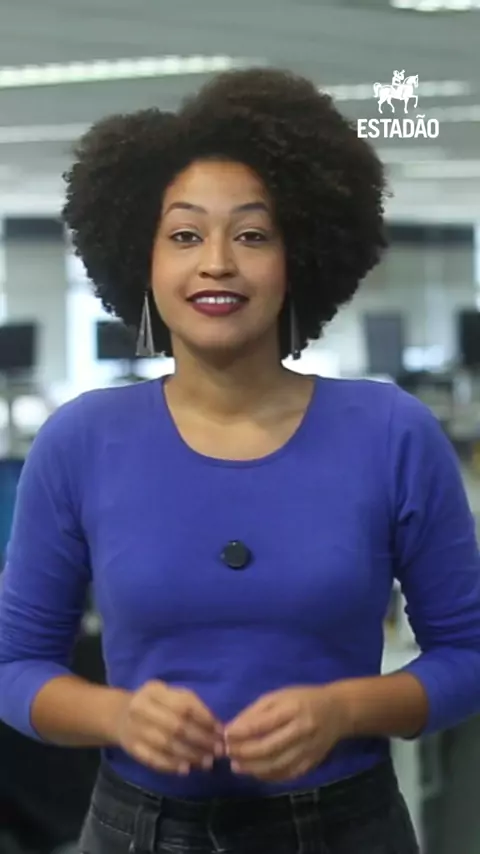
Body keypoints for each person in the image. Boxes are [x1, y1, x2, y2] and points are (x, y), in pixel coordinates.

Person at [0, 67, 480, 854]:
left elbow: (469, 654)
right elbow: (15, 667)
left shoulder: (392, 432)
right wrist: (117, 715)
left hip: (343, 827)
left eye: (252, 235)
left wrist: (346, 709)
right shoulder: (79, 441)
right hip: (136, 828)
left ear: (299, 255)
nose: (217, 262)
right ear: (142, 258)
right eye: (184, 235)